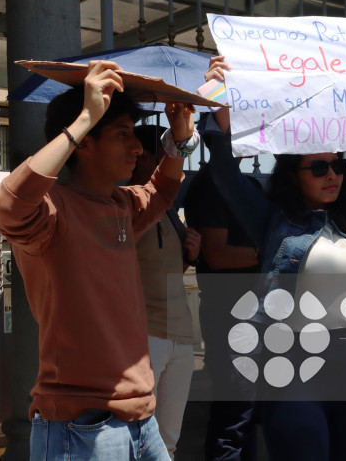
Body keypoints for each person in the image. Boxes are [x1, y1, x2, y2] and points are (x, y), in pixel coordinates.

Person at [200, 55, 346, 461]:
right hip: (292, 366)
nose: (332, 174)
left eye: (337, 165)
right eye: (318, 167)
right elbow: (225, 174)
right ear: (293, 174)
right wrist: (220, 107)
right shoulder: (272, 221)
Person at [0, 60, 196, 461]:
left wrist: (181, 138)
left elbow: (163, 189)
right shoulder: (51, 212)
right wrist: (85, 116)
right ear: (84, 142)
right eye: (122, 134)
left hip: (142, 419)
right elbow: (8, 204)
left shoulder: (123, 205)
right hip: (81, 426)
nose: (137, 147)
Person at [130, 124, 201, 460]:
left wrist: (190, 255)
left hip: (178, 333)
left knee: (168, 438)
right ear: (144, 157)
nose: (176, 163)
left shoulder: (167, 207)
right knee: (138, 435)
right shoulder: (125, 204)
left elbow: (164, 267)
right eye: (168, 154)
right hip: (144, 333)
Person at [184, 160, 261, 461]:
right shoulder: (211, 184)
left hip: (252, 315)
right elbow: (217, 255)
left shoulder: (244, 183)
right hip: (230, 316)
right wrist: (272, 252)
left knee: (247, 415)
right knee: (235, 416)